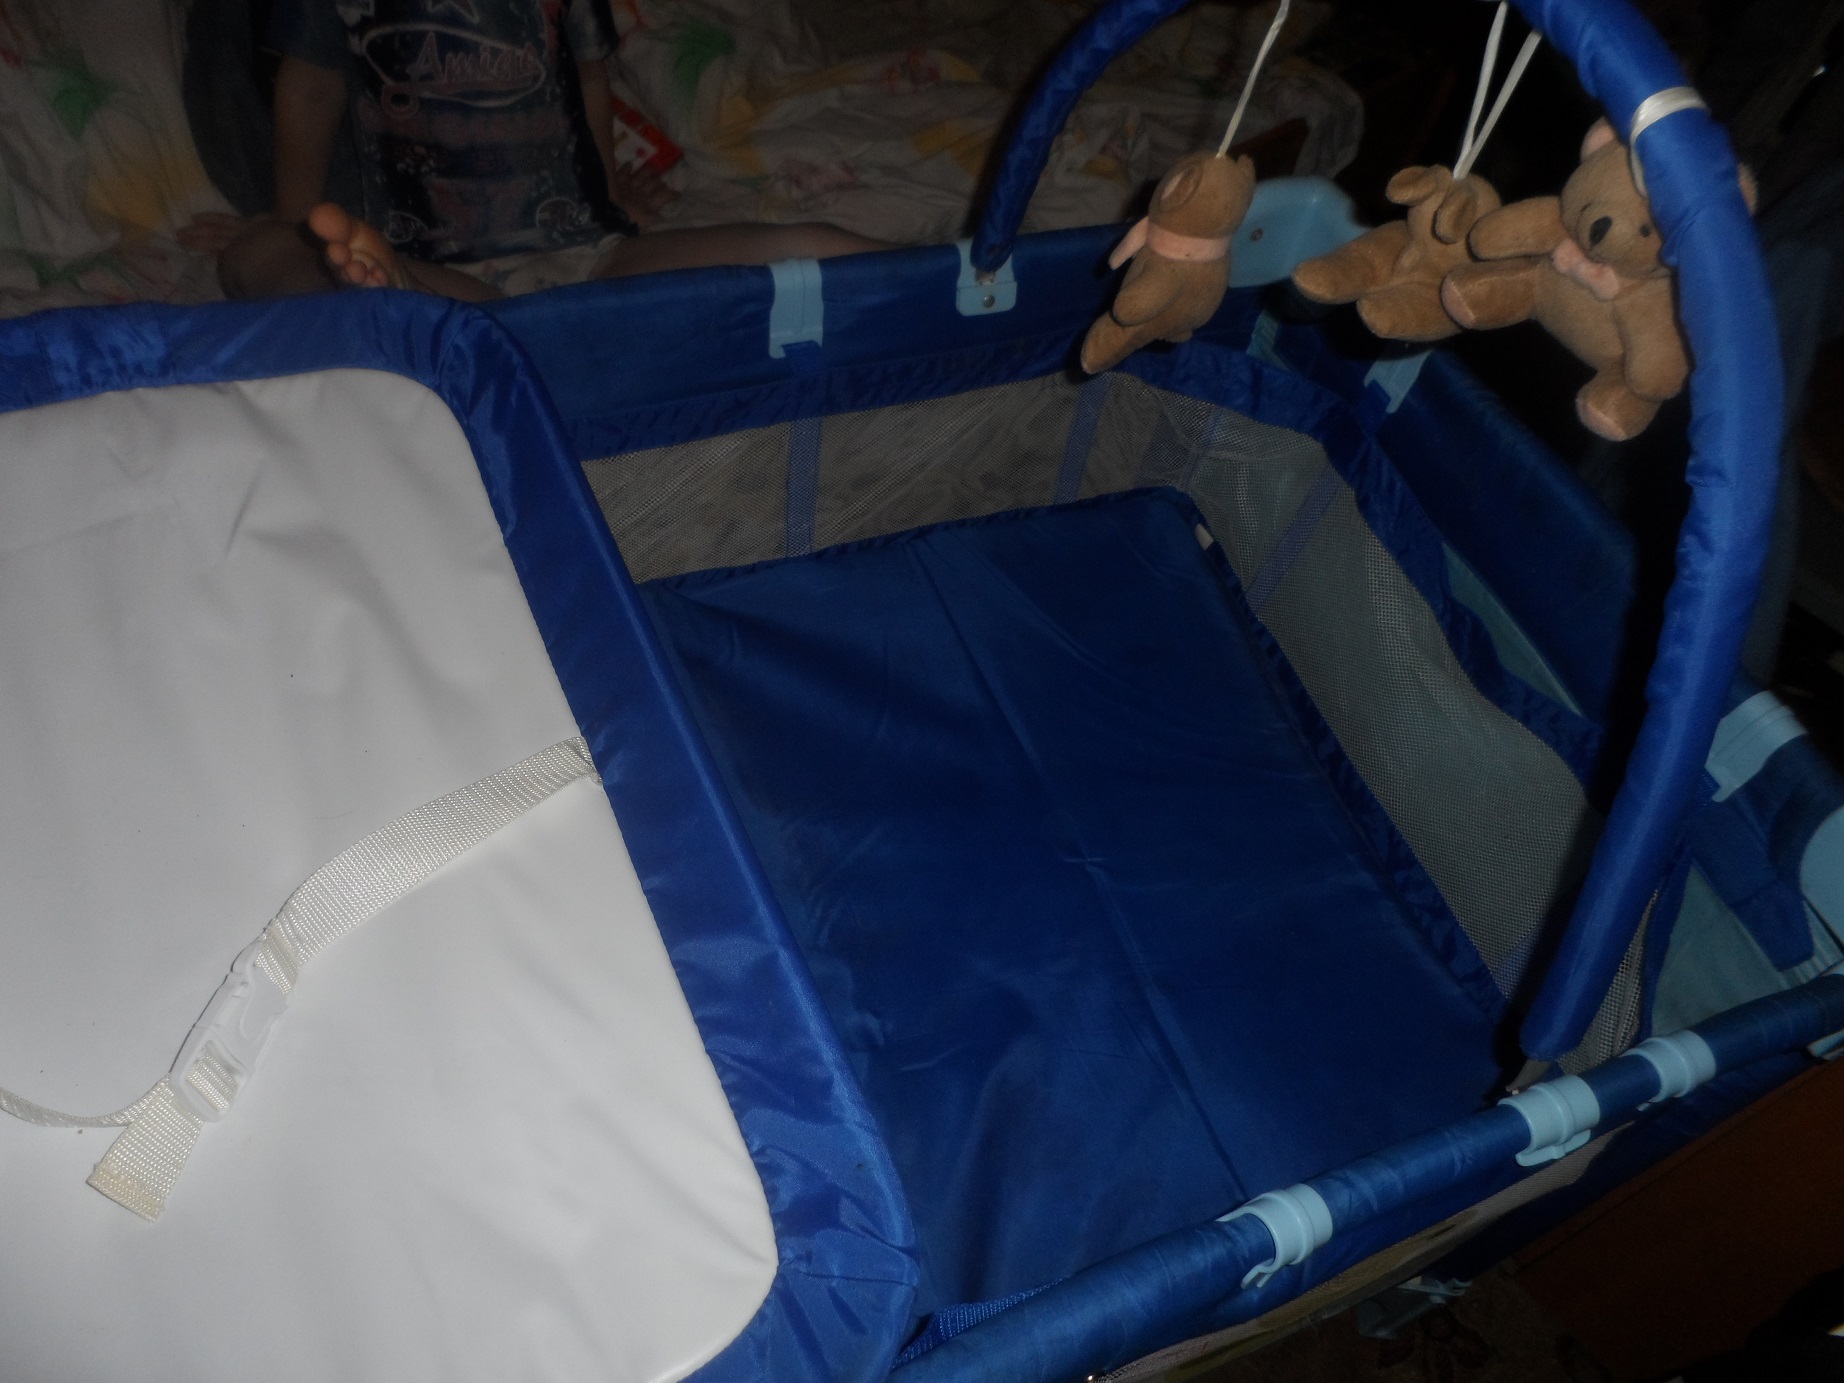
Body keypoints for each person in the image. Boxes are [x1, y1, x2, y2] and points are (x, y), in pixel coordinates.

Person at [218, 0, 887, 301]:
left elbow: (588, 76)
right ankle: (387, 291)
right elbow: (311, 88)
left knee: (807, 243)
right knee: (252, 258)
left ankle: (937, 277)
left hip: (591, 255)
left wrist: (608, 191)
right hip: (436, 267)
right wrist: (297, 223)